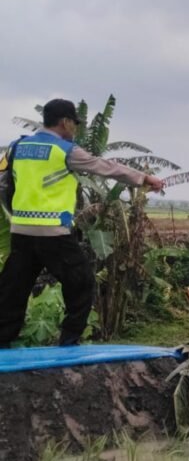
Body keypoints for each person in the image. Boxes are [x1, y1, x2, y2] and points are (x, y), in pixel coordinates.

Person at [0, 98, 164, 348]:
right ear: (65, 122)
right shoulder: (64, 150)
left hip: (21, 231)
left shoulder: (16, 147)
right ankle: (69, 341)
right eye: (74, 124)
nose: (74, 129)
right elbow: (106, 167)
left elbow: (5, 184)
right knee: (81, 283)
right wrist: (143, 178)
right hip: (53, 232)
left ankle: (3, 341)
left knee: (13, 289)